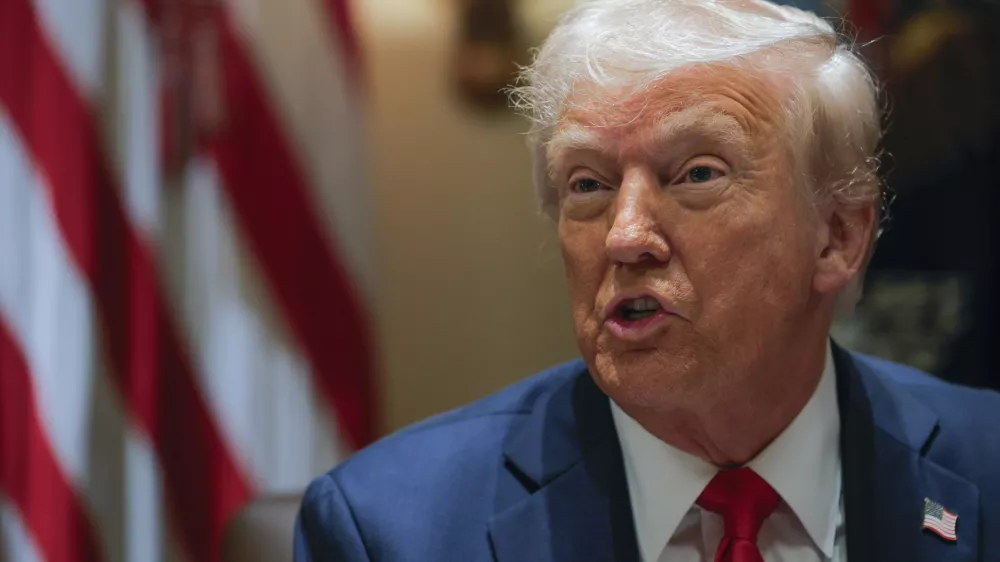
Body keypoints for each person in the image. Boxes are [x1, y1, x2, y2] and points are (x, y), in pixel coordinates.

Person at [294, 0, 1000, 560]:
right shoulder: (391, 532)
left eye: (696, 174)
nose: (626, 236)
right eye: (589, 184)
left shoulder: (986, 469)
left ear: (838, 238)